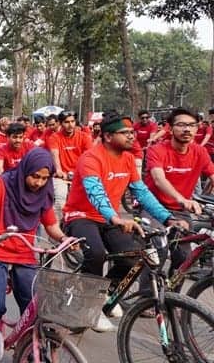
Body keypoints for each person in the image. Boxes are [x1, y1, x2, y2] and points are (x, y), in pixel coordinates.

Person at [62, 111, 187, 331]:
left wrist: (168, 218)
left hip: (110, 218)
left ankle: (104, 297)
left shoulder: (128, 159)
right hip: (80, 216)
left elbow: (142, 192)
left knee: (135, 257)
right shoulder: (91, 158)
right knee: (97, 254)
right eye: (125, 133)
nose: (132, 136)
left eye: (132, 132)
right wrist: (116, 218)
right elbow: (95, 193)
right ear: (108, 137)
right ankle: (87, 307)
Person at [0, 148, 70, 363]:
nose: (39, 182)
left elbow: (51, 225)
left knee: (34, 305)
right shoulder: (3, 183)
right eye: (35, 176)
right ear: (25, 170)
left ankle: (29, 349)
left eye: (44, 178)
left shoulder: (44, 191)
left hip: (24, 251)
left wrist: (64, 239)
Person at [143, 108, 214, 275]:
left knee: (184, 257)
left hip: (180, 212)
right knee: (157, 251)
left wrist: (182, 203)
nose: (187, 129)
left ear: (197, 128)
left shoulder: (199, 151)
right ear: (170, 128)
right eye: (181, 125)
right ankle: (145, 298)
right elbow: (159, 180)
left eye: (192, 125)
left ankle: (172, 298)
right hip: (153, 207)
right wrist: (183, 199)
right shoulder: (157, 150)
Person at [47, 110, 92, 219]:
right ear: (61, 123)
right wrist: (58, 170)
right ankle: (55, 233)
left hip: (80, 175)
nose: (70, 125)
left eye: (72, 121)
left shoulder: (84, 137)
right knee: (59, 202)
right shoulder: (54, 137)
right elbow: (54, 154)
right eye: (66, 122)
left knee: (85, 205)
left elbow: (88, 157)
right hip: (61, 176)